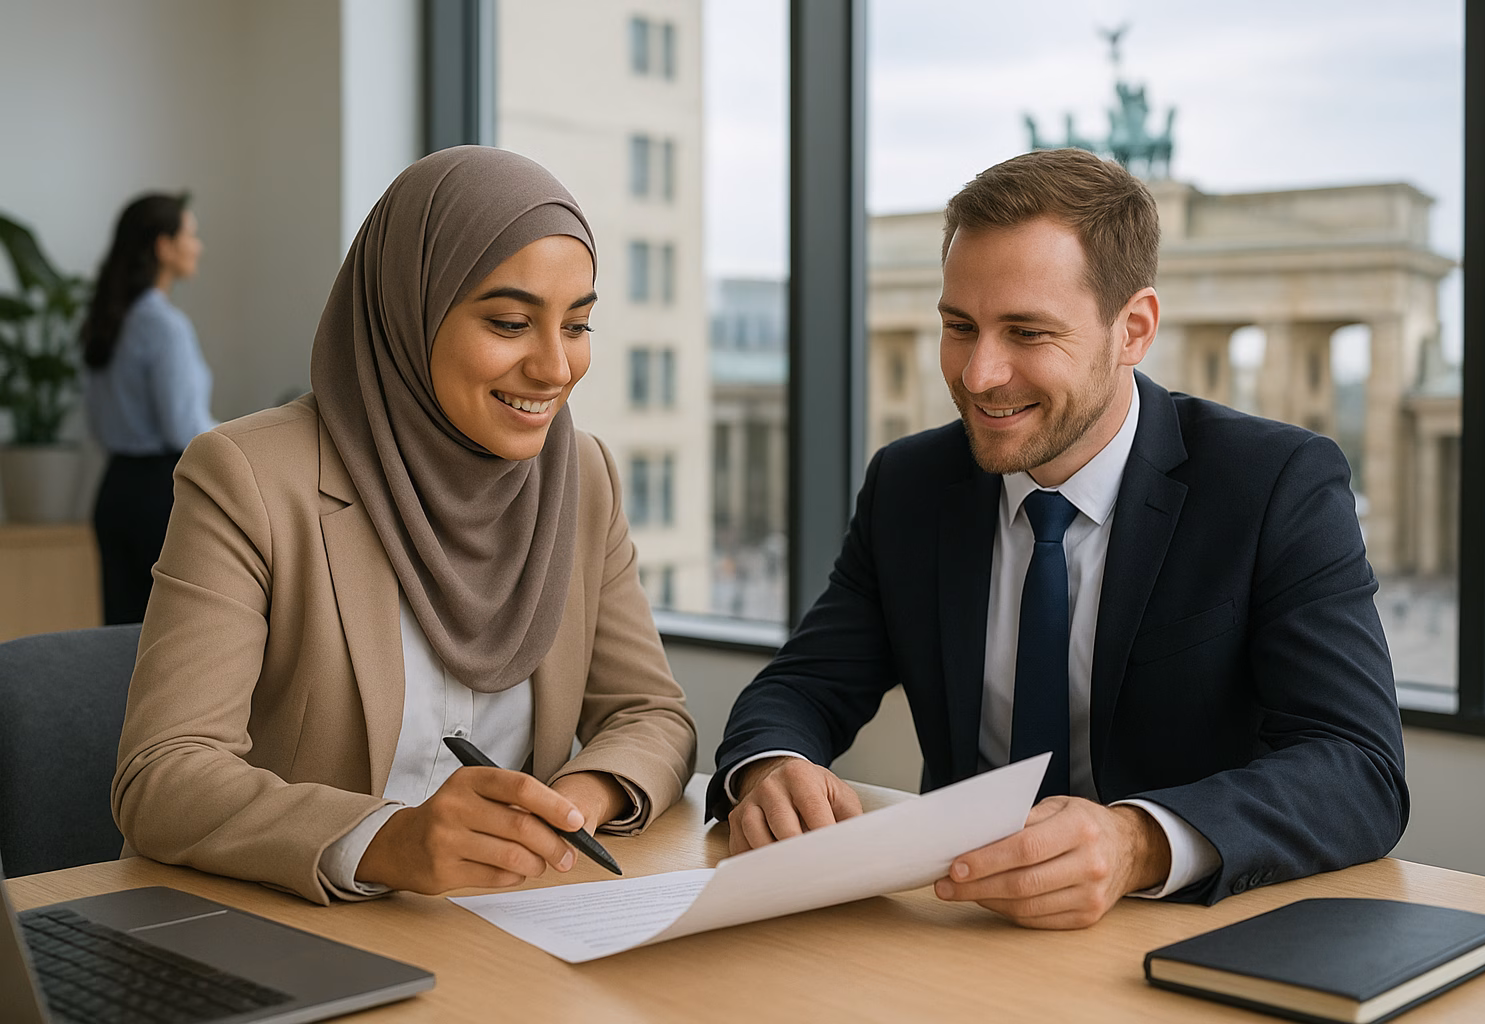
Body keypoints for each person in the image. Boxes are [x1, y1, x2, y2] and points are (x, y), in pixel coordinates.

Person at [709, 148, 1408, 929]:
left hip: (1182, 935)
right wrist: (771, 766)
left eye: (1026, 332)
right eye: (959, 327)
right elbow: (803, 687)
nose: (978, 375)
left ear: (1133, 329)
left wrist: (1138, 841)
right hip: (958, 929)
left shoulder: (1274, 484)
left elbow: (1359, 768)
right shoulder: (909, 485)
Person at [112, 147, 697, 905]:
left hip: (497, 926)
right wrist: (385, 840)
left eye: (578, 325)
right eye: (512, 322)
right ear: (407, 308)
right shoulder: (248, 477)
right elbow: (163, 772)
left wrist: (575, 801)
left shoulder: (581, 476)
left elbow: (650, 712)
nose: (556, 368)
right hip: (284, 925)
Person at [81, 192, 217, 625]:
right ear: (163, 245)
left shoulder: (107, 318)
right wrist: (245, 437)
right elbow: (184, 428)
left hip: (114, 490)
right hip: (160, 496)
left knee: (119, 639)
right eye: (191, 235)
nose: (198, 246)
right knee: (169, 640)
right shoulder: (164, 326)